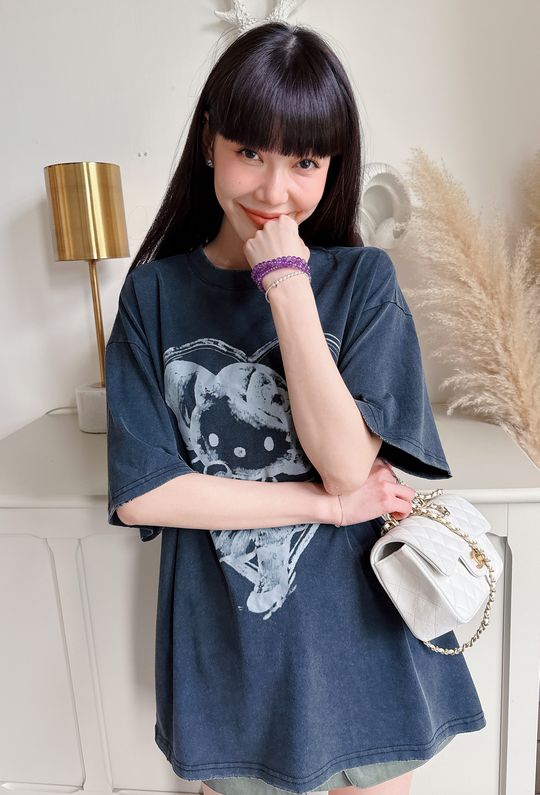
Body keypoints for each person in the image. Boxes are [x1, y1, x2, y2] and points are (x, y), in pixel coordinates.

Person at [105, 20, 487, 795]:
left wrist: (284, 282)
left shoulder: (364, 282)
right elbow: (147, 491)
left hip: (365, 653)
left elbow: (348, 461)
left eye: (304, 161)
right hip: (233, 663)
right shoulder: (154, 295)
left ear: (331, 167)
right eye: (250, 152)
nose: (274, 190)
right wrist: (324, 505)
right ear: (209, 141)